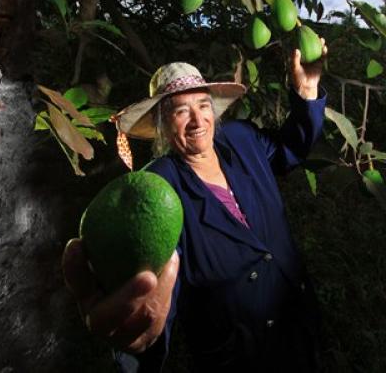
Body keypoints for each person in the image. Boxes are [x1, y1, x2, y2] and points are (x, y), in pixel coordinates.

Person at [62, 41, 328, 372]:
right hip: (241, 358)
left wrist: (307, 91)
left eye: (203, 105)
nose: (197, 120)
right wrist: (139, 344)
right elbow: (155, 286)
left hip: (299, 328)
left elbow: (290, 148)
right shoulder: (157, 190)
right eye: (180, 111)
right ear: (161, 123)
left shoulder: (242, 139)